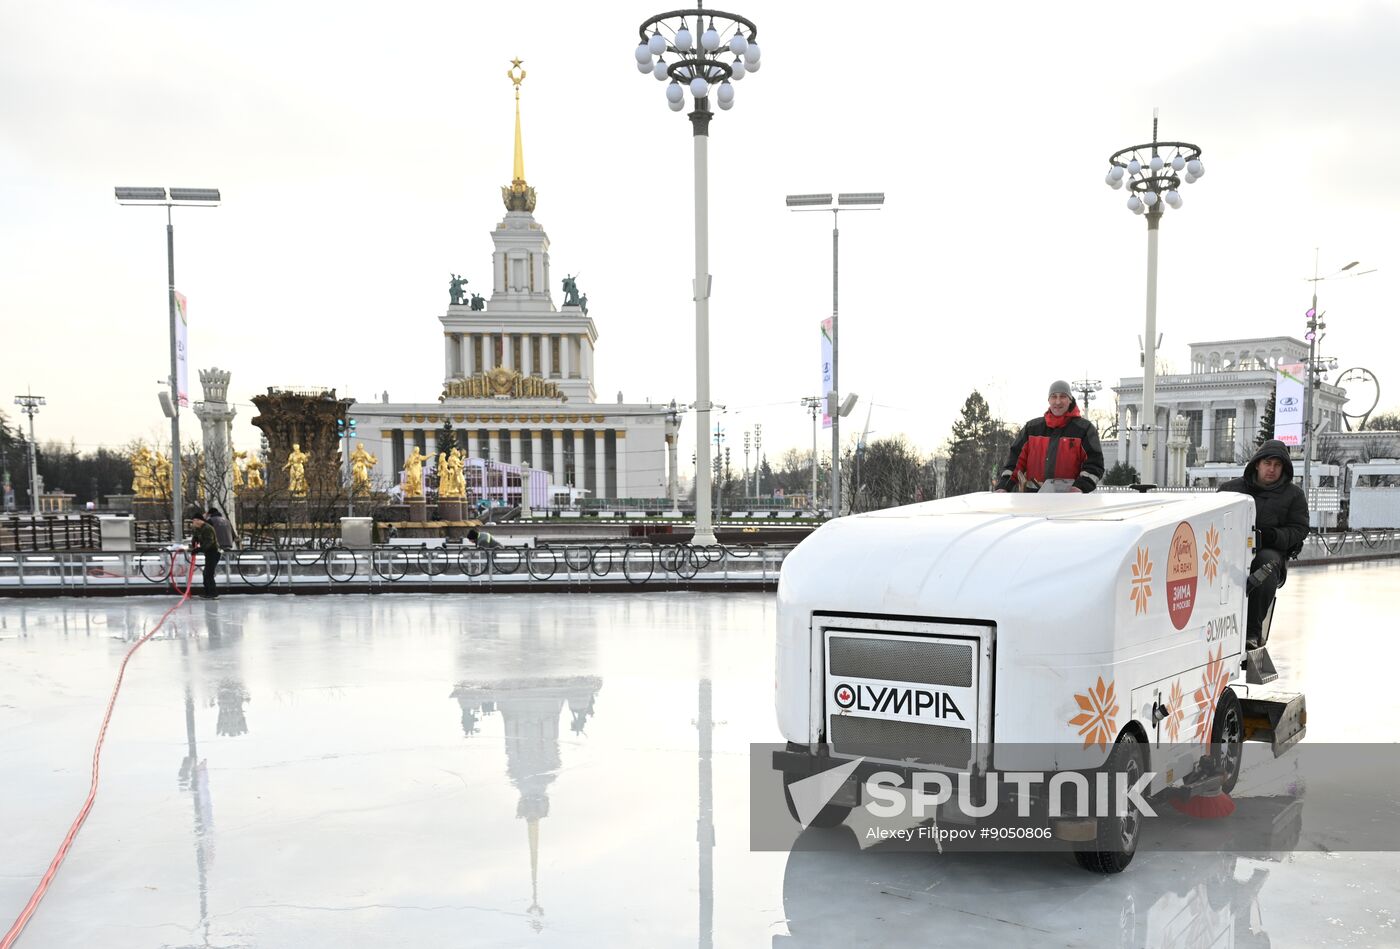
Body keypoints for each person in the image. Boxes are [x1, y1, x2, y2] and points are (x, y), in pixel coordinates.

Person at [1218, 439, 1309, 648]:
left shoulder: (1293, 495)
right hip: (1231, 550)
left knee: (1264, 566)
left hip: (1268, 552)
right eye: (1268, 464)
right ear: (1257, 464)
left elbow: (1299, 529)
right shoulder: (1230, 490)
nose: (1272, 470)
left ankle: (1251, 632)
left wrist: (1271, 536)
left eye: (1277, 465)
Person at [995, 380, 1105, 493]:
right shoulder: (1031, 428)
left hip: (1070, 501)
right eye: (1054, 396)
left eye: (1063, 396)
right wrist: (1004, 486)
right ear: (1049, 400)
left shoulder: (1085, 429)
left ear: (1070, 400)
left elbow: (1094, 463)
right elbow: (1015, 461)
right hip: (1033, 500)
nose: (1057, 401)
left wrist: (1080, 486)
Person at [189, 511, 221, 599]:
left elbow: (209, 542)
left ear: (199, 520)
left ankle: (213, 593)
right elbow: (195, 536)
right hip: (207, 553)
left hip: (213, 552)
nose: (193, 522)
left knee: (209, 573)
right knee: (206, 573)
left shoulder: (207, 528)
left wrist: (199, 549)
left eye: (194, 520)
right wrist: (194, 542)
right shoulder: (197, 528)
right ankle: (208, 592)